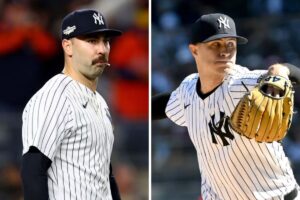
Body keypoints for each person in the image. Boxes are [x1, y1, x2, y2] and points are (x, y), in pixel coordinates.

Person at [152, 13, 300, 199]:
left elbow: (290, 74)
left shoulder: (245, 83)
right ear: (194, 50)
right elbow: (165, 104)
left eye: (231, 44)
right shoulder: (188, 89)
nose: (225, 51)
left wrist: (281, 70)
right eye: (216, 45)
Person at [21, 9, 122, 200]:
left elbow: (106, 176)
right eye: (92, 41)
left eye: (105, 41)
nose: (102, 49)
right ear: (68, 46)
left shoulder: (100, 101)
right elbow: (33, 171)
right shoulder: (54, 97)